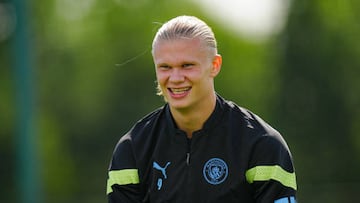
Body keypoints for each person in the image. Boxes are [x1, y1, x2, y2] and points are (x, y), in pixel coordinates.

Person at [106, 15, 297, 203]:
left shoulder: (261, 145)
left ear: (214, 65)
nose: (176, 77)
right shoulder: (133, 148)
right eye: (165, 67)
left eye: (187, 65)